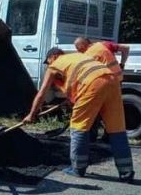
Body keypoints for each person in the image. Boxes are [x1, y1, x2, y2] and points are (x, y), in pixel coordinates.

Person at [23, 48, 135, 183]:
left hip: (93, 83)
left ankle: (78, 168)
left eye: (48, 61)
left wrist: (31, 114)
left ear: (54, 56)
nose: (48, 64)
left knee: (79, 127)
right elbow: (78, 83)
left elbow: (41, 93)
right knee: (117, 129)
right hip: (112, 80)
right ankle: (126, 171)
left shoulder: (54, 66)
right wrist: (70, 100)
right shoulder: (77, 57)